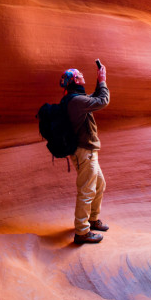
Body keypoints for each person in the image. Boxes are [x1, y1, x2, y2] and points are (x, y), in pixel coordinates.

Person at [59, 63, 110, 244]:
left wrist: (99, 81)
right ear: (75, 80)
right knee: (87, 189)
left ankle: (92, 219)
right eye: (80, 75)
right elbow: (102, 101)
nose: (83, 77)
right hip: (84, 152)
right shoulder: (76, 101)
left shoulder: (74, 99)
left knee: (98, 185)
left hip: (86, 151)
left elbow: (94, 99)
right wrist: (103, 81)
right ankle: (82, 231)